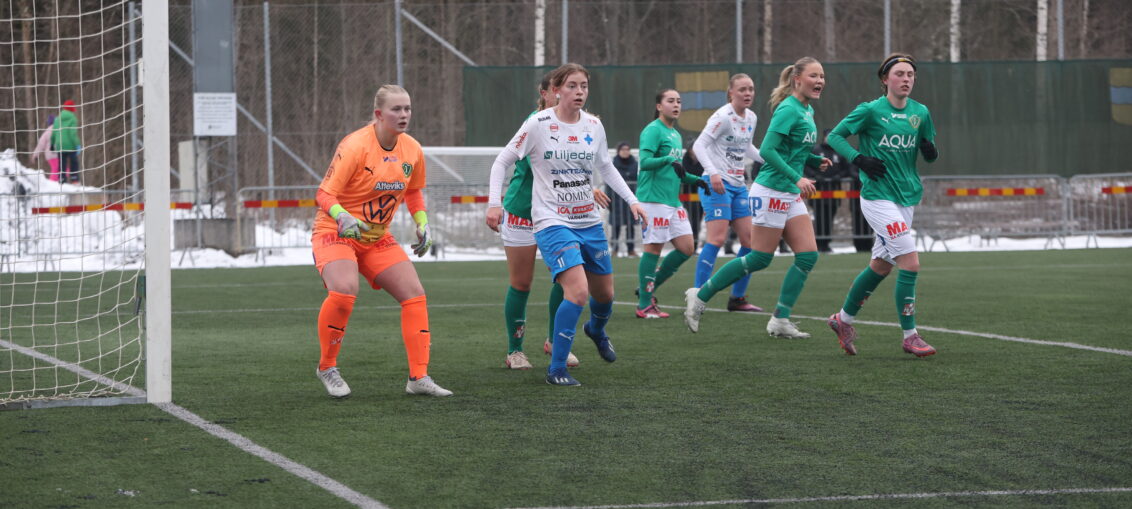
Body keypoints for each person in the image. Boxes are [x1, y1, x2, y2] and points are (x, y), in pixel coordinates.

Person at [487, 63, 646, 386]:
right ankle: (545, 362)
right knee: (560, 288)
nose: (579, 92)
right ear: (555, 90)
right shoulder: (538, 123)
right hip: (544, 218)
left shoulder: (594, 125)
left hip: (587, 221)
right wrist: (493, 203)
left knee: (604, 295)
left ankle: (592, 330)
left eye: (584, 86)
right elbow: (504, 160)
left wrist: (632, 199)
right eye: (572, 86)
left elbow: (602, 165)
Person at [311, 84, 452, 398]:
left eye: (407, 108)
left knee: (415, 294)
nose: (404, 115)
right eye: (396, 109)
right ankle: (327, 367)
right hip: (336, 232)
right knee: (345, 290)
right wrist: (342, 215)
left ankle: (418, 378)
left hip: (376, 238)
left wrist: (422, 223)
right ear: (378, 114)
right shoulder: (355, 146)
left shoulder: (412, 149)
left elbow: (413, 192)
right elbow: (324, 194)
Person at [684, 57, 833, 338]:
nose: (820, 81)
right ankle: (700, 295)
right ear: (797, 80)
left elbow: (792, 149)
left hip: (788, 192)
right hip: (771, 191)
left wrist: (814, 160)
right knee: (760, 258)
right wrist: (797, 177)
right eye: (814, 76)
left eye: (822, 76)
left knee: (807, 256)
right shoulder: (788, 109)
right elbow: (768, 150)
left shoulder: (806, 110)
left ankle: (780, 319)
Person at [825, 53, 939, 358]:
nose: (906, 79)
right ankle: (910, 336)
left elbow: (929, 154)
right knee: (910, 263)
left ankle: (842, 320)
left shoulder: (921, 113)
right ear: (885, 79)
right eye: (899, 74)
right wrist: (858, 158)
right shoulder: (871, 110)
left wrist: (930, 150)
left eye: (910, 74)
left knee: (881, 265)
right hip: (877, 197)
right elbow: (835, 136)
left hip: (907, 197)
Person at [493, 70, 596, 371]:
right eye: (562, 88)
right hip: (523, 212)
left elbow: (572, 166)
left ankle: (554, 342)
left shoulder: (578, 124)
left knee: (565, 279)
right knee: (521, 283)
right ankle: (515, 351)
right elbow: (533, 165)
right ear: (547, 93)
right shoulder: (536, 123)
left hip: (557, 215)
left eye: (578, 87)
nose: (570, 93)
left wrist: (588, 188)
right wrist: (493, 203)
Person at [690, 73, 766, 314]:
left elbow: (747, 147)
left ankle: (737, 298)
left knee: (750, 243)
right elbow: (698, 146)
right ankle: (698, 296)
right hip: (716, 182)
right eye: (742, 89)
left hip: (738, 184)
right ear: (731, 92)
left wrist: (768, 159)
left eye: (751, 89)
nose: (748, 93)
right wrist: (713, 173)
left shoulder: (751, 117)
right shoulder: (722, 116)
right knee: (717, 239)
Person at [634, 89, 710, 319]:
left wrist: (696, 180)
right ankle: (644, 305)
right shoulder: (653, 130)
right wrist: (668, 159)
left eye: (679, 101)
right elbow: (645, 162)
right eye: (670, 101)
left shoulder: (675, 134)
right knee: (653, 250)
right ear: (659, 106)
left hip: (672, 201)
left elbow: (677, 171)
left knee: (687, 248)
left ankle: (648, 288)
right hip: (653, 200)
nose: (676, 105)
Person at [808, 128, 855, 253]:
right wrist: (815, 176)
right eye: (827, 137)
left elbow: (847, 169)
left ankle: (826, 243)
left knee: (830, 217)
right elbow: (806, 166)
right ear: (823, 137)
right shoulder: (816, 150)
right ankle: (818, 243)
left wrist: (838, 176)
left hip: (834, 192)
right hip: (817, 192)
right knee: (819, 218)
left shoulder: (839, 152)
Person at [608, 142, 638, 258]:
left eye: (627, 149)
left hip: (630, 201)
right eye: (623, 149)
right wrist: (609, 201)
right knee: (616, 226)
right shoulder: (613, 164)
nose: (625, 151)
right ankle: (614, 249)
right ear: (618, 151)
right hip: (616, 200)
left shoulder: (634, 164)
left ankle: (631, 249)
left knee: (631, 226)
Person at [52, 100, 81, 183]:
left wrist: (52, 143)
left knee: (62, 163)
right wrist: (77, 144)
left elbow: (54, 132)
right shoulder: (73, 119)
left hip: (59, 145)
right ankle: (74, 179)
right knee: (74, 162)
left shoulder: (57, 119)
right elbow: (72, 134)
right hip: (70, 145)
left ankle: (62, 179)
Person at [31, 115, 60, 182]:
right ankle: (52, 183)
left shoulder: (46, 132)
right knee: (57, 168)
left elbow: (40, 145)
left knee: (59, 168)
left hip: (50, 155)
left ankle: (58, 182)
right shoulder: (59, 131)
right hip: (55, 154)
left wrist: (35, 155)